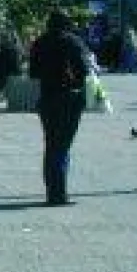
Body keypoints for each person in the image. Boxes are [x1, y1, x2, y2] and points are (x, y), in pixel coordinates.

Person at [28, 11, 91, 206]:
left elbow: (33, 72)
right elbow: (83, 69)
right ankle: (58, 194)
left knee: (52, 143)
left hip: (47, 97)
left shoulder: (40, 42)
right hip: (68, 97)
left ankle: (53, 190)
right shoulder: (72, 41)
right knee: (62, 145)